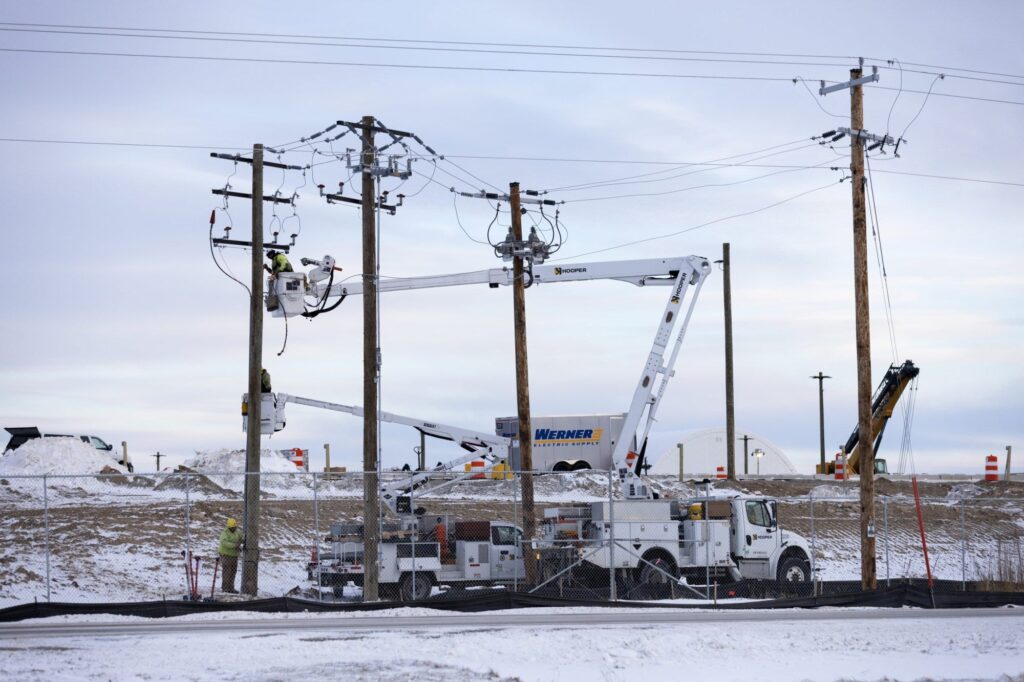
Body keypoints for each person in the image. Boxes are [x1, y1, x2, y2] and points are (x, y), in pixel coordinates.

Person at [218, 517, 244, 594]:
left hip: (234, 555)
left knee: (233, 571)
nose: (233, 529)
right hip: (225, 554)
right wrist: (235, 546)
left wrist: (243, 539)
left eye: (234, 527)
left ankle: (231, 588)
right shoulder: (225, 533)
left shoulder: (237, 531)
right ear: (228, 527)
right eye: (232, 528)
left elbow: (242, 537)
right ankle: (225, 588)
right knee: (227, 571)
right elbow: (224, 542)